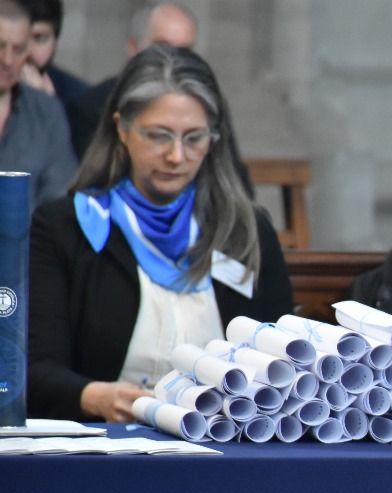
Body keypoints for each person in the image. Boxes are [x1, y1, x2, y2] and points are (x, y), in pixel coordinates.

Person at [26, 43, 293, 422]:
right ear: (121, 128)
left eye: (194, 138)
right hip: (111, 445)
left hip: (228, 444)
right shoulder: (66, 227)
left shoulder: (244, 230)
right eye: (159, 136)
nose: (177, 156)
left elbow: (285, 363)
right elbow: (34, 372)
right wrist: (91, 397)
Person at [65, 2, 195, 158]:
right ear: (134, 47)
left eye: (184, 51)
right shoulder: (91, 108)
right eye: (162, 47)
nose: (173, 59)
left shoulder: (206, 107)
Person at [0, 0, 75, 206]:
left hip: (26, 235)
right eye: (0, 45)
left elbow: (59, 199)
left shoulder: (47, 113)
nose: (7, 60)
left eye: (18, 49)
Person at [17, 0, 88, 111]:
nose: (28, 50)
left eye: (39, 38)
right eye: (19, 37)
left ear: (55, 42)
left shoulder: (80, 99)